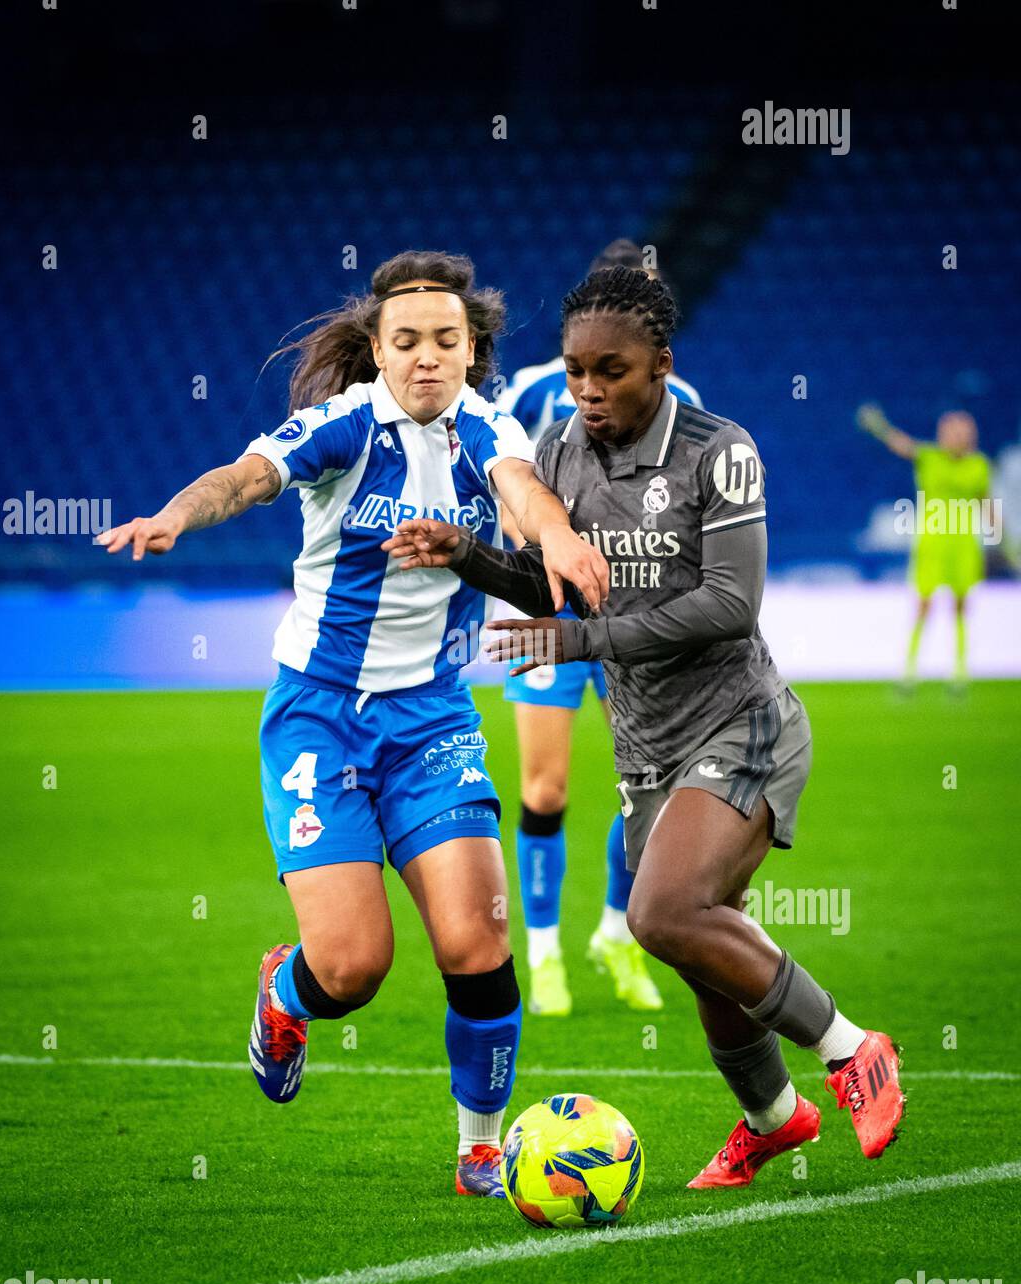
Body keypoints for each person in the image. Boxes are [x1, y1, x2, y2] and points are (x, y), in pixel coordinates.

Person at [96, 250, 609, 1197]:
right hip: (319, 718)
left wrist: (561, 534)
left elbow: (525, 495)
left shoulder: (489, 430)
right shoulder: (342, 426)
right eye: (406, 341)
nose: (426, 358)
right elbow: (247, 477)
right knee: (354, 967)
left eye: (446, 342)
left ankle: (479, 1149)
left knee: (477, 944)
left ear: (470, 352)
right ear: (377, 350)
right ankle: (284, 995)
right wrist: (177, 512)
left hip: (433, 718)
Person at [385, 266, 905, 1188]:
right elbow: (546, 586)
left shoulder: (719, 449)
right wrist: (468, 556)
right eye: (578, 371)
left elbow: (732, 605)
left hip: (742, 724)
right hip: (648, 749)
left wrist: (581, 637)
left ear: (661, 364)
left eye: (611, 371)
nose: (589, 390)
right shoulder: (560, 454)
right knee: (704, 948)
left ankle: (852, 1046)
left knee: (662, 914)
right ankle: (775, 1118)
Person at [495, 240, 701, 1016]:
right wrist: (527, 545)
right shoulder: (536, 390)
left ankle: (616, 932)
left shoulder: (688, 406)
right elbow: (497, 474)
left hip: (636, 625)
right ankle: (543, 952)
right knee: (544, 791)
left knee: (644, 790)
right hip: (546, 616)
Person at [857, 405, 992, 688]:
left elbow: (986, 503)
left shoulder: (979, 465)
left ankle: (960, 671)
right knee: (924, 605)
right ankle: (910, 670)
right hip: (932, 543)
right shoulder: (929, 457)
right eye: (951, 431)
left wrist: (1006, 542)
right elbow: (901, 444)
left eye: (961, 432)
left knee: (961, 605)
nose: (956, 437)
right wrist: (879, 427)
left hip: (964, 543)